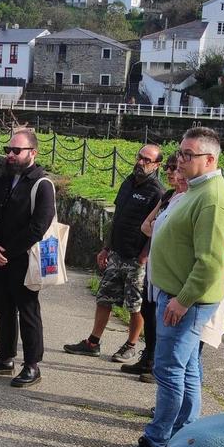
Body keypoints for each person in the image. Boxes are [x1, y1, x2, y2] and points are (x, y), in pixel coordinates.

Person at [113, 127, 224, 447]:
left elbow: (211, 261)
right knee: (186, 369)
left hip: (185, 300)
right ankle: (184, 437)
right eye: (179, 152)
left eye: (188, 155)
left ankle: (156, 445)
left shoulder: (212, 198)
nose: (179, 160)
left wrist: (182, 300)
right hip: (173, 294)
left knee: (169, 371)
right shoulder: (194, 191)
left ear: (210, 160)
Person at [64, 144, 164, 361]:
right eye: (139, 157)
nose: (141, 163)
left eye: (147, 160)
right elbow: (117, 218)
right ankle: (93, 342)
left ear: (157, 165)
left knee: (135, 305)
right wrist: (107, 248)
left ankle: (130, 345)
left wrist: (144, 256)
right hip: (117, 253)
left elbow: (157, 229)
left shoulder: (157, 191)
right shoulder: (128, 183)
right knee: (104, 298)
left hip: (137, 258)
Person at [0, 128, 56, 388]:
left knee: (28, 311)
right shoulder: (3, 180)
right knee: (3, 309)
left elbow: (38, 227)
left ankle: (32, 364)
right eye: (7, 150)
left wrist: (7, 252)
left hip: (22, 259)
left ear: (32, 153)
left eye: (16, 151)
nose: (10, 155)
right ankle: (5, 356)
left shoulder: (42, 185)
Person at [121, 156, 186, 382]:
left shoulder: (187, 199)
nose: (169, 172)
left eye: (174, 168)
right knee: (148, 311)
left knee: (163, 321)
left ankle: (157, 367)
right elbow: (146, 226)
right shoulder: (168, 195)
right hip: (156, 266)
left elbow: (158, 229)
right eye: (167, 168)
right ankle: (148, 359)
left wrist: (159, 232)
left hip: (171, 268)